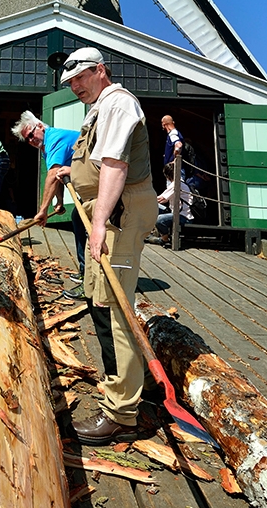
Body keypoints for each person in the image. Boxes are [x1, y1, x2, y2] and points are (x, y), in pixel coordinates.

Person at [60, 47, 159, 445]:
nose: (75, 87)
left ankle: (122, 414)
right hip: (108, 211)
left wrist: (99, 221)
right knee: (98, 298)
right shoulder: (99, 107)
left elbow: (116, 166)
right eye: (70, 83)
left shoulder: (118, 103)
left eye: (81, 77)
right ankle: (129, 381)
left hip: (121, 212)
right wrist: (72, 171)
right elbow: (98, 164)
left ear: (100, 70)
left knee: (115, 304)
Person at [12, 111, 88, 298]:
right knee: (78, 219)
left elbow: (53, 175)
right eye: (27, 139)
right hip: (90, 185)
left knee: (87, 226)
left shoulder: (54, 138)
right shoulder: (47, 147)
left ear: (39, 126)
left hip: (100, 185)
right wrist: (59, 201)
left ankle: (89, 284)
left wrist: (42, 210)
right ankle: (85, 271)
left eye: (31, 134)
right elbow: (60, 173)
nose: (31, 140)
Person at [154, 163, 194, 243]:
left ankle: (164, 239)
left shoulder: (176, 184)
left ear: (167, 176)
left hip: (183, 217)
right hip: (176, 213)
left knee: (159, 220)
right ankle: (155, 231)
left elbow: (162, 199)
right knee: (156, 207)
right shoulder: (178, 183)